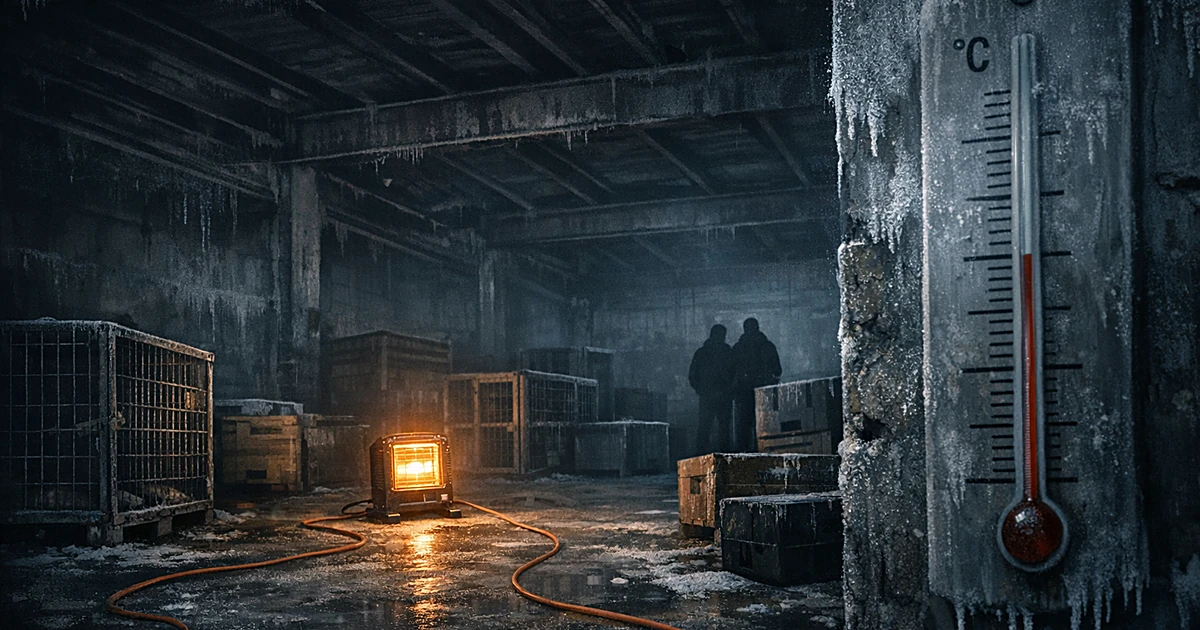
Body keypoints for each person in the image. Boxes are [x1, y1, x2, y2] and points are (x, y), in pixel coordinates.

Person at [731, 317, 782, 452]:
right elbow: (777, 370)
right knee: (764, 424)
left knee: (743, 426)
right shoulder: (767, 346)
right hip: (764, 392)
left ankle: (744, 455)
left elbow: (730, 371)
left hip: (743, 393)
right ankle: (765, 450)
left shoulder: (738, 348)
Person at [688, 324, 734, 454]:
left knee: (705, 427)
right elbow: (734, 372)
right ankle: (725, 456)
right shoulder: (727, 351)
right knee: (723, 428)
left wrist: (700, 389)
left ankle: (701, 456)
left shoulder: (702, 353)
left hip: (708, 396)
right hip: (723, 395)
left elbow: (692, 375)